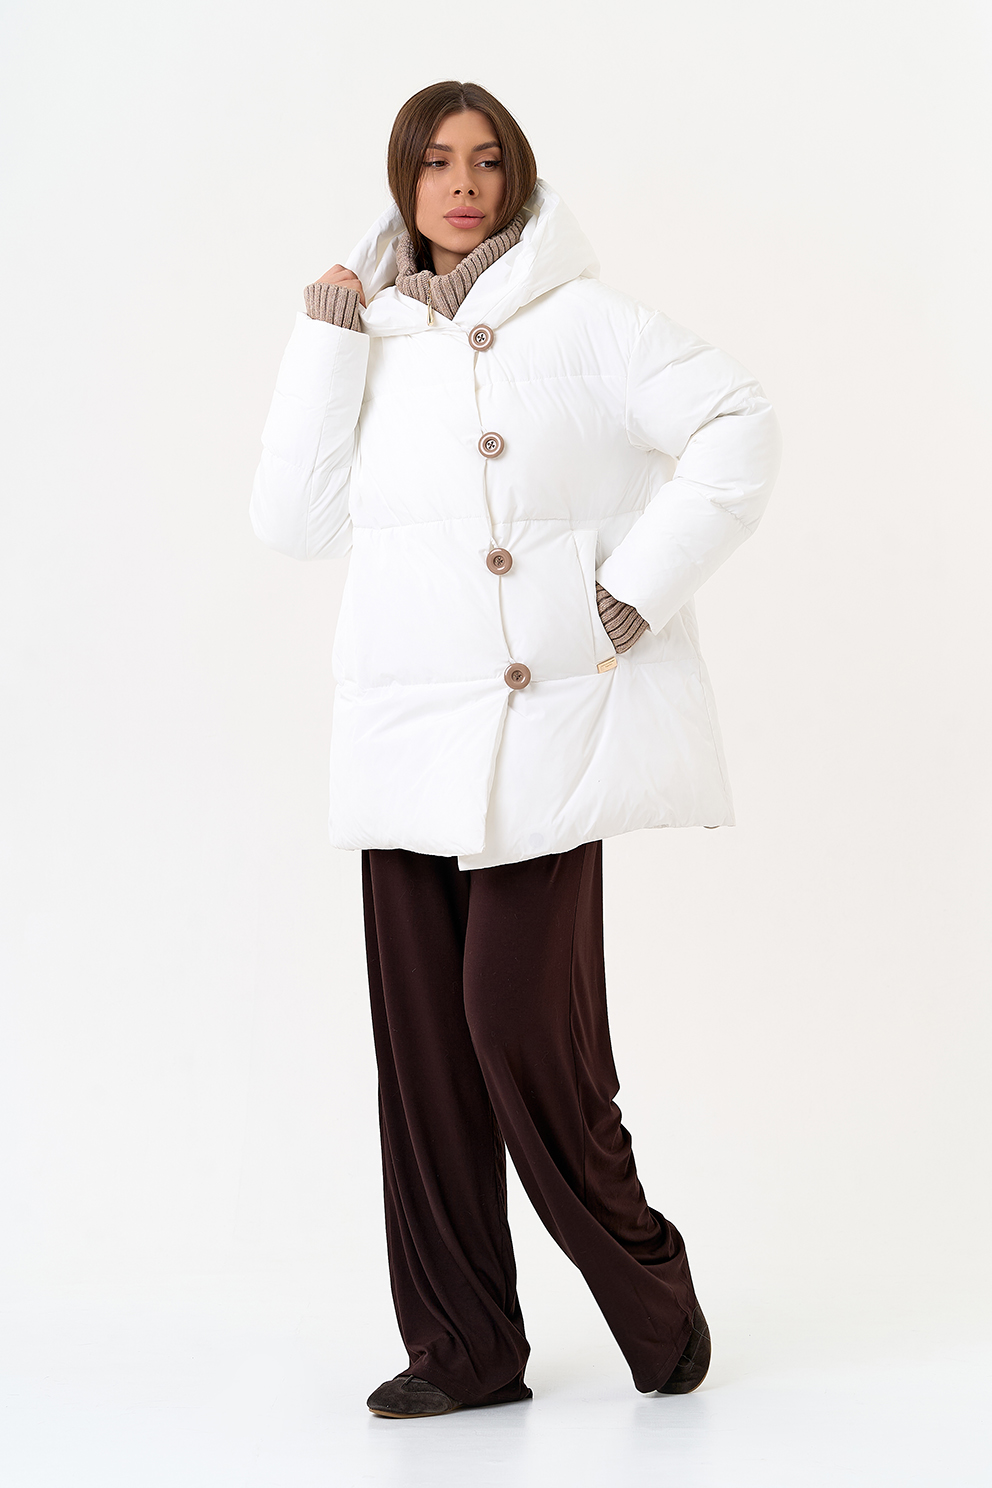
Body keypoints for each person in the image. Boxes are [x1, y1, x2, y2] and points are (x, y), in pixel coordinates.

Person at [250, 80, 781, 1420]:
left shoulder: (588, 323)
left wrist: (631, 592)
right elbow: (292, 523)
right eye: (435, 163)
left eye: (487, 162)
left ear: (519, 178)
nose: (462, 185)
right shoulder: (361, 337)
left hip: (546, 725)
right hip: (403, 735)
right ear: (403, 183)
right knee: (427, 1054)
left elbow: (740, 422)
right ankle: (466, 1351)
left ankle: (651, 1296)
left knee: (518, 1027)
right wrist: (322, 340)